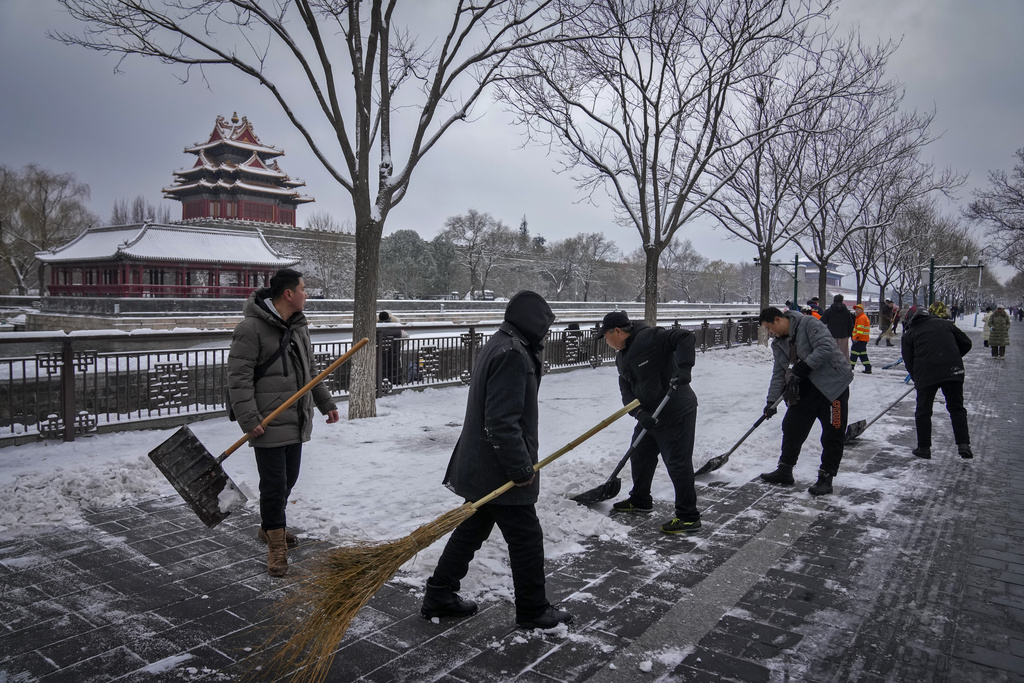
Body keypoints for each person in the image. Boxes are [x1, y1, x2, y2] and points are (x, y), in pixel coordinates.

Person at [421, 291, 572, 630]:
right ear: (531, 322)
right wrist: (520, 468)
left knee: (472, 528)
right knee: (526, 538)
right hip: (498, 467)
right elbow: (501, 421)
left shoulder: (502, 342)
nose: (546, 333)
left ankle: (439, 593)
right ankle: (533, 609)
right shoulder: (513, 354)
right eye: (544, 326)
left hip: (481, 463)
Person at [227, 268, 340, 577]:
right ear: (288, 294)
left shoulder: (300, 327)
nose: (307, 294)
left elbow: (310, 373)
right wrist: (250, 418)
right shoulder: (251, 328)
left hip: (296, 418)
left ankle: (269, 528)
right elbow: (238, 379)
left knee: (288, 480)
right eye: (303, 289)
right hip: (267, 421)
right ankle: (276, 547)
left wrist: (325, 403)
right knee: (275, 486)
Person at [596, 311, 702, 534]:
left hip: (675, 409)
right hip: (650, 415)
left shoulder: (650, 337)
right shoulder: (621, 357)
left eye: (605, 336)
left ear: (617, 331)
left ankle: (689, 517)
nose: (606, 341)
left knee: (677, 462)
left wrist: (684, 368)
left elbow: (684, 337)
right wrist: (639, 414)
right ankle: (640, 499)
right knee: (640, 454)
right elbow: (626, 391)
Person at [758, 306, 853, 496]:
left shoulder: (809, 323)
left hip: (833, 388)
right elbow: (778, 373)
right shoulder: (778, 343)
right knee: (792, 426)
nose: (770, 333)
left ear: (778, 320)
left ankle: (826, 478)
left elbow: (826, 347)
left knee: (833, 433)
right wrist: (771, 401)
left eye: (769, 328)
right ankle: (785, 469)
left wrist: (805, 366)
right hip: (805, 389)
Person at [902, 307, 973, 459]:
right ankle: (963, 445)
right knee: (957, 409)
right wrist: (951, 357)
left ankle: (924, 448)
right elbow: (966, 343)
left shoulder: (909, 334)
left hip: (926, 374)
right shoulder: (945, 324)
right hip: (953, 371)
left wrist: (917, 378)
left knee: (923, 412)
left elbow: (909, 361)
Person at [377, 310, 408, 387]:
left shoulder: (375, 328)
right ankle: (395, 383)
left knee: (380, 370)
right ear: (389, 318)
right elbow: (406, 337)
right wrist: (398, 345)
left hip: (379, 356)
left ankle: (381, 384)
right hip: (394, 355)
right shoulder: (397, 328)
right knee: (394, 371)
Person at [821, 294, 853, 359]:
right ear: (842, 301)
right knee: (844, 353)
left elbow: (822, 322)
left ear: (834, 300)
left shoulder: (829, 311)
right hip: (843, 335)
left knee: (832, 352)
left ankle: (833, 367)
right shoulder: (847, 312)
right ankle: (844, 367)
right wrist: (849, 334)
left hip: (831, 335)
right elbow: (850, 324)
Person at [850, 304, 872, 373]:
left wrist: (856, 338)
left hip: (860, 339)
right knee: (863, 354)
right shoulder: (863, 317)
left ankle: (850, 367)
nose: (856, 311)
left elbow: (860, 330)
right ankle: (868, 367)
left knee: (854, 352)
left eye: (858, 309)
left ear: (862, 310)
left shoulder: (861, 318)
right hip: (863, 339)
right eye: (856, 309)